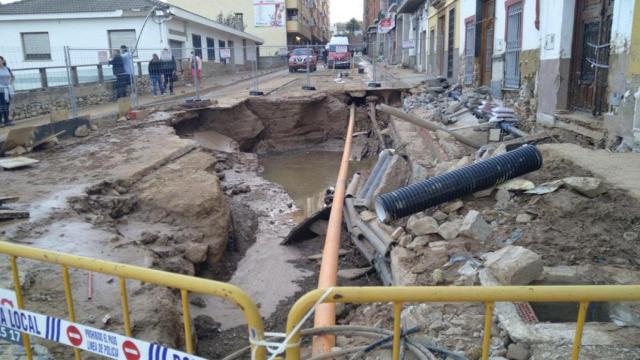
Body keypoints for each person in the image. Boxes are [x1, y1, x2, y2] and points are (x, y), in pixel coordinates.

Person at [0, 56, 15, 127]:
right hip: (0, 90)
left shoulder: (7, 69)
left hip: (8, 90)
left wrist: (10, 84)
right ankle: (1, 121)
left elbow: (12, 77)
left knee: (7, 105)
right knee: (1, 106)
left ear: (3, 61)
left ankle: (7, 120)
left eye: (0, 60)